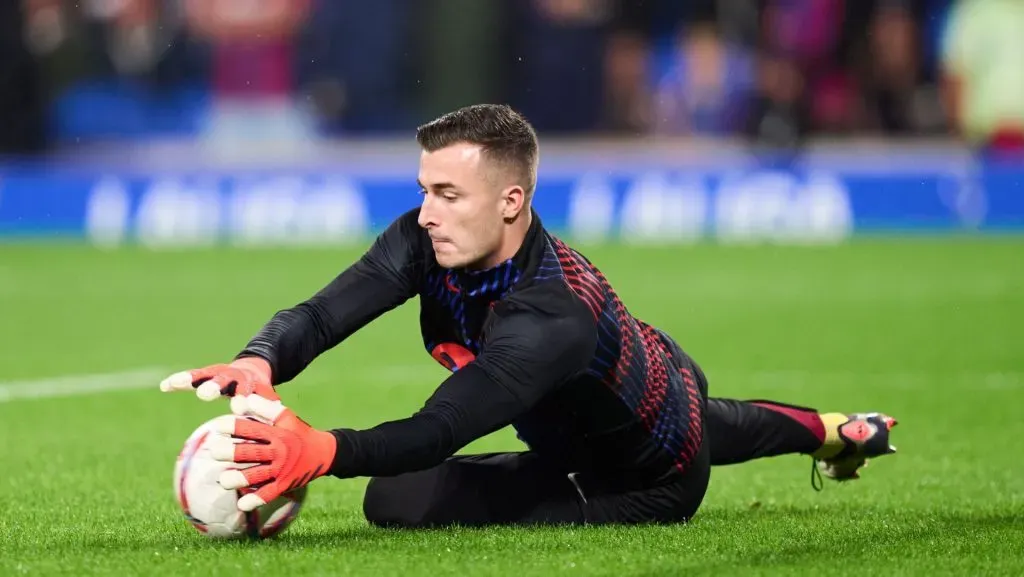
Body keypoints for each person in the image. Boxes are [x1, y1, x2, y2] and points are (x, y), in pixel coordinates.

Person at [159, 104, 898, 527]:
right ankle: (839, 431)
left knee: (396, 502)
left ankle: (831, 432)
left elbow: (440, 427)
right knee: (705, 416)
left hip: (635, 478)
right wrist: (262, 357)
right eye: (425, 188)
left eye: (449, 193)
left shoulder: (550, 316)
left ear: (511, 202)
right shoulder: (429, 237)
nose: (426, 211)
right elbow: (324, 312)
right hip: (657, 372)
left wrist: (325, 448)